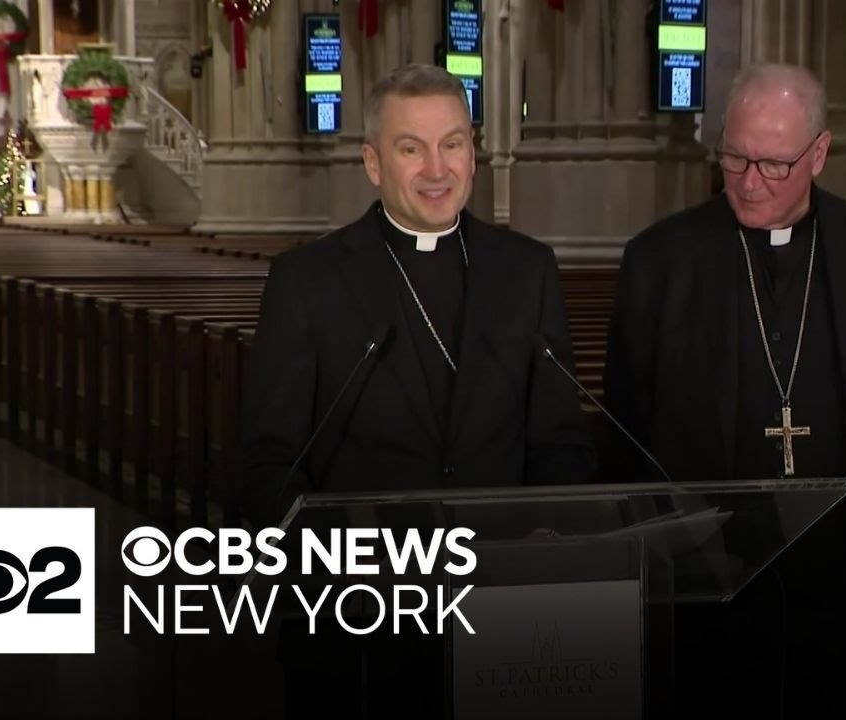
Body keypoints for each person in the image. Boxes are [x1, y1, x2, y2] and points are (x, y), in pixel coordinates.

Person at [235, 63, 597, 718]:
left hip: (500, 613)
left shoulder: (526, 271)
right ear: (374, 163)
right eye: (412, 148)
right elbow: (268, 465)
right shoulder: (308, 281)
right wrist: (341, 568)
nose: (438, 169)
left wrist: (551, 534)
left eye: (453, 143)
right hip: (355, 622)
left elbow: (559, 443)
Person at [603, 62, 846, 718]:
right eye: (734, 157)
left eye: (774, 164)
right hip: (709, 568)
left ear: (820, 153)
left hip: (842, 571)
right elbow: (627, 422)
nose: (750, 183)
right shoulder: (660, 260)